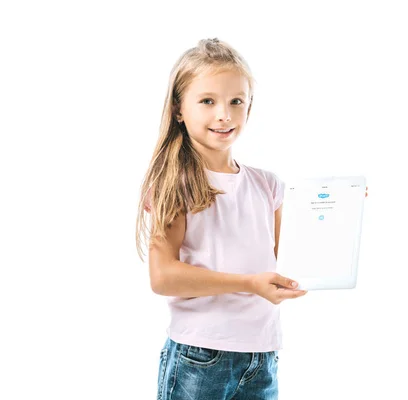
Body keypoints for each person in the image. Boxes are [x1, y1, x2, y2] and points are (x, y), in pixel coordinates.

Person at [135, 37, 309, 400]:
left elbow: (288, 262)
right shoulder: (176, 183)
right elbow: (163, 276)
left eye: (236, 101)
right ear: (179, 109)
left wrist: (342, 211)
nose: (224, 115)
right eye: (207, 101)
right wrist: (248, 284)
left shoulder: (268, 186)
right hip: (200, 358)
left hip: (261, 356)